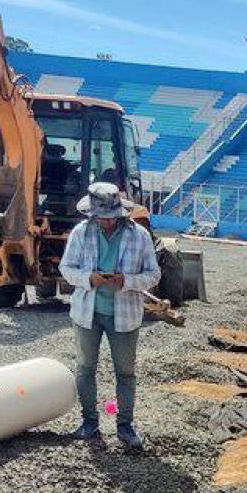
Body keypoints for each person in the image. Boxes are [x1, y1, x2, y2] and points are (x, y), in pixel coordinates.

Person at [58, 182, 161, 450]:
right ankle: (89, 421)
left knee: (125, 372)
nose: (105, 222)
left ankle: (125, 425)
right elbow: (66, 269)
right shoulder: (80, 233)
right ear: (91, 214)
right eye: (100, 217)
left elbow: (154, 274)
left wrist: (126, 281)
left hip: (124, 315)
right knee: (85, 368)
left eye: (110, 217)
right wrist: (88, 278)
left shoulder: (139, 236)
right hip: (87, 313)